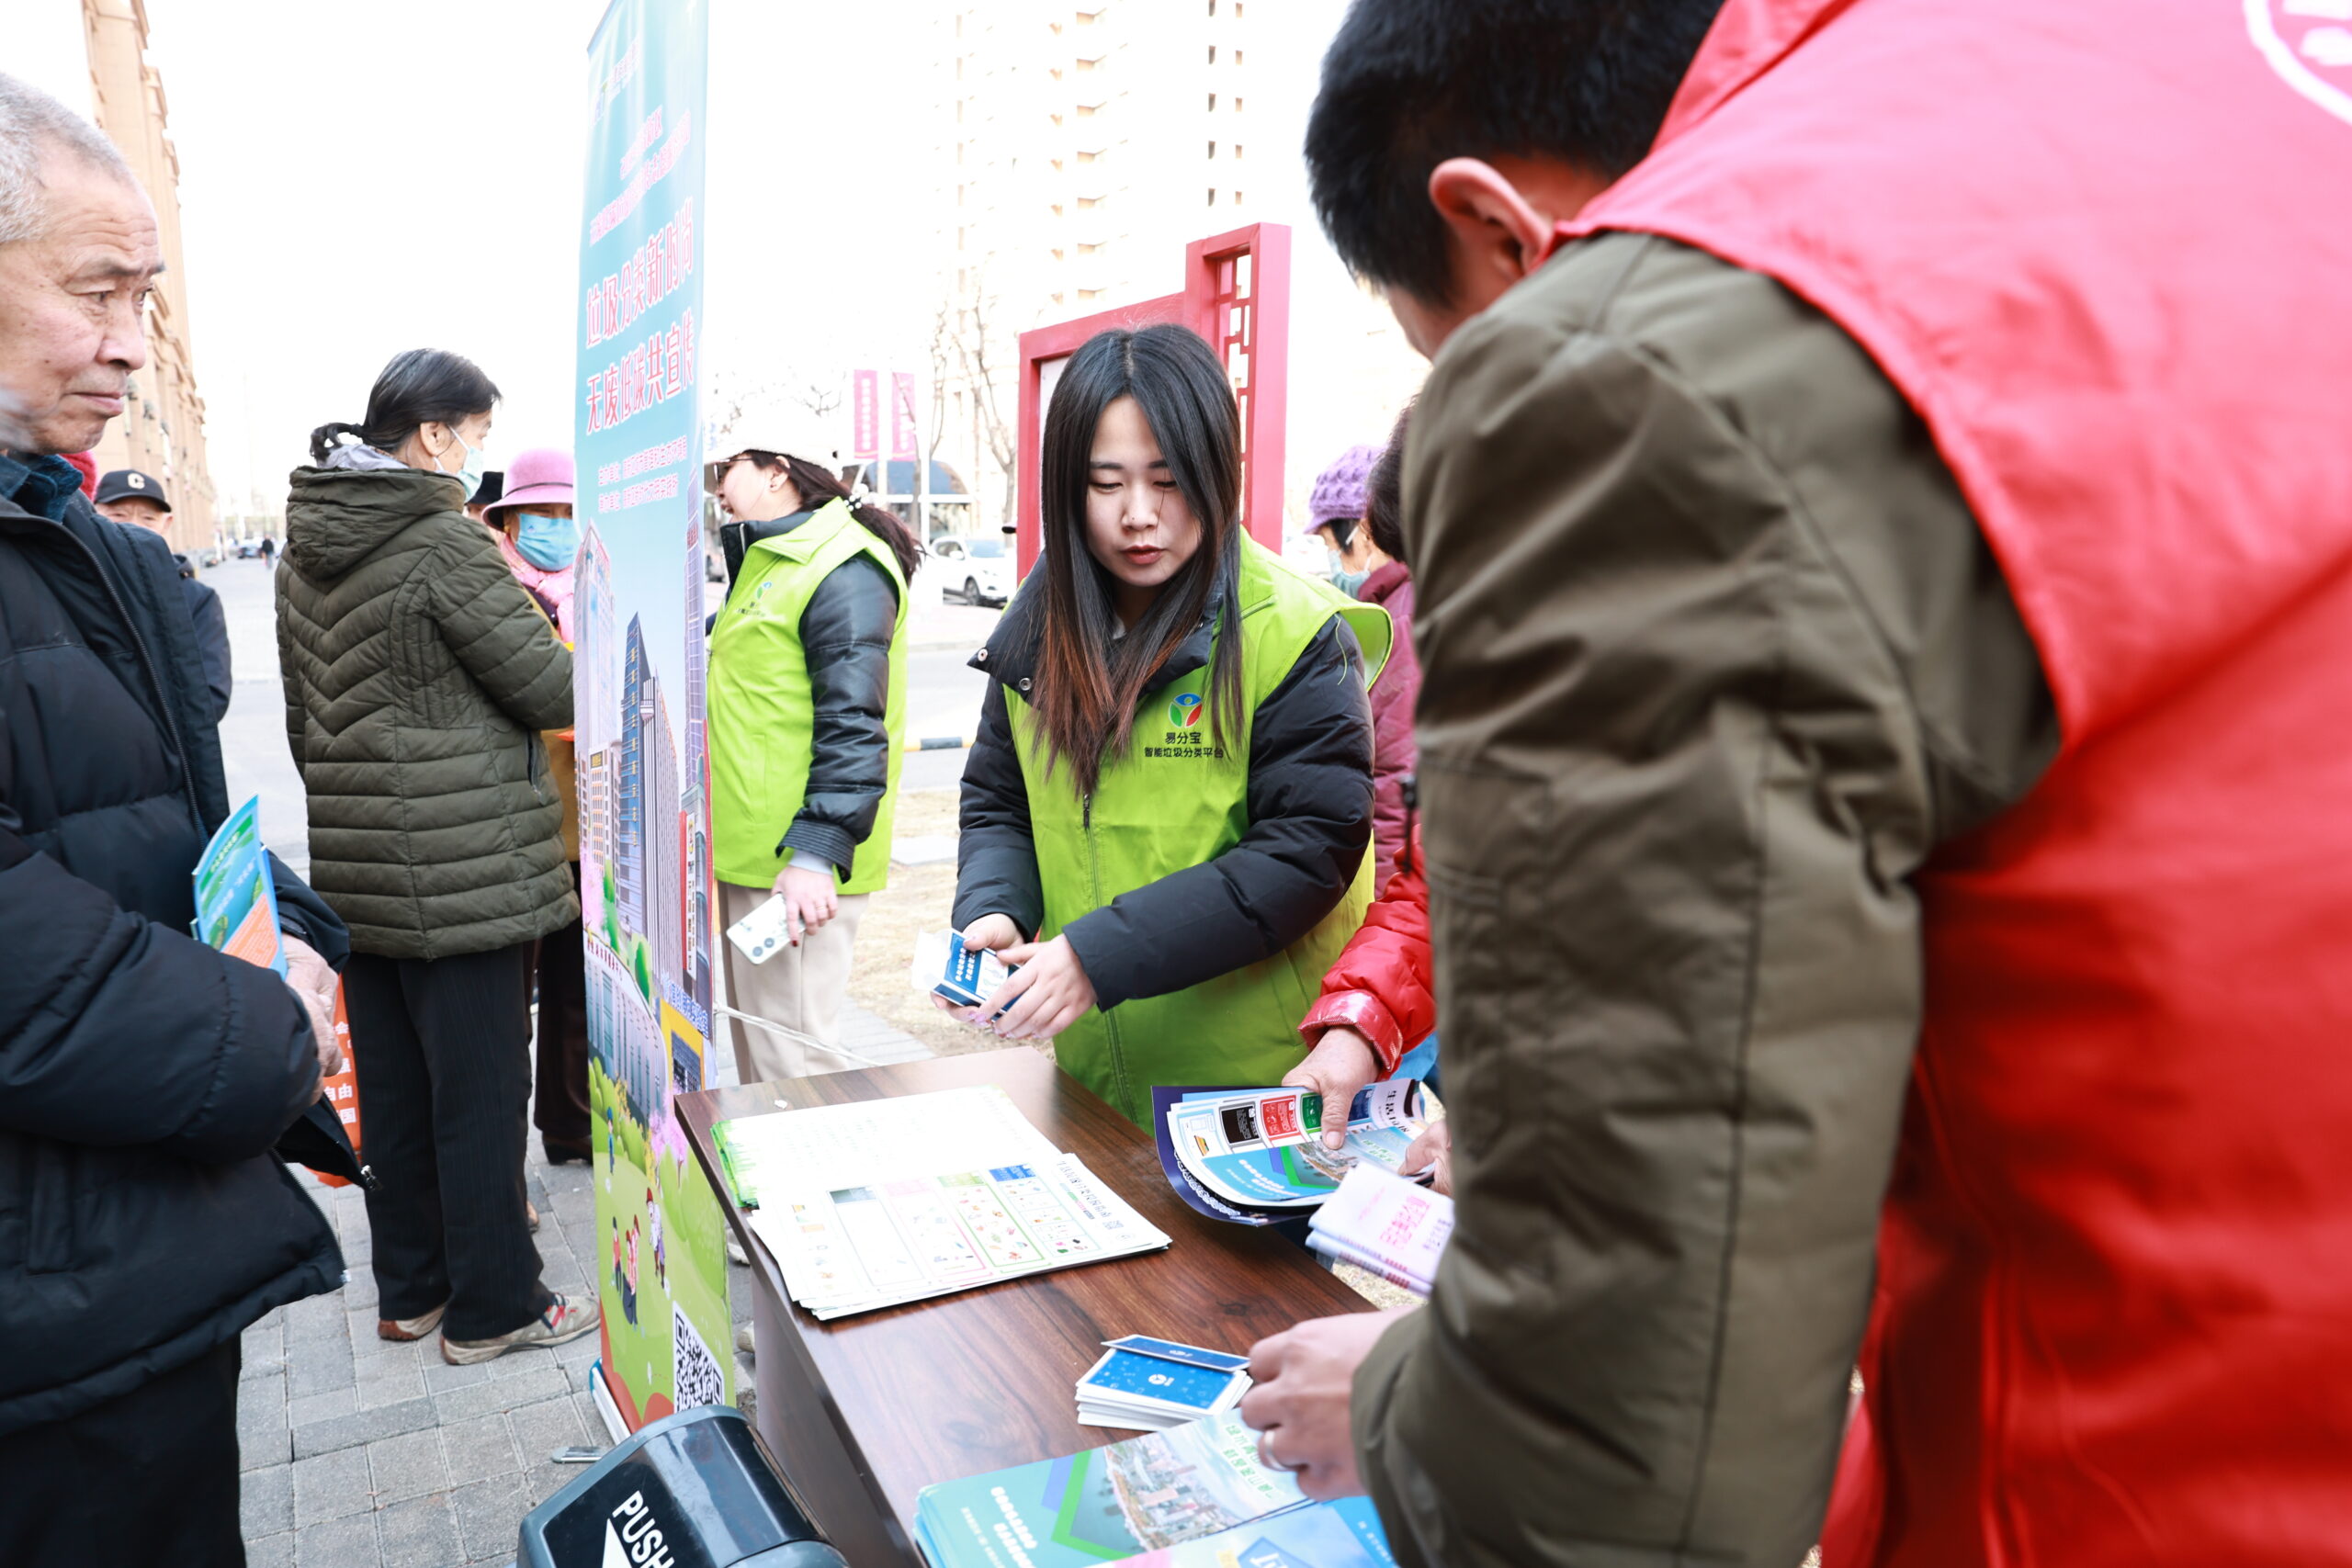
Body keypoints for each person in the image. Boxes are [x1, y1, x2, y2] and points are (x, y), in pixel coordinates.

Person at [1239, 2, 2352, 1565]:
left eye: (1450, 352)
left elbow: (1624, 1467)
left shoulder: (1657, 366)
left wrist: (1424, 1404)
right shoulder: (2170, 90)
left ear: (1497, 226)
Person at [0, 72, 347, 1564]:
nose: (131, 349)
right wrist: (272, 1029)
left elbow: (149, 827)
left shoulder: (68, 542)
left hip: (114, 1276)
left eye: (147, 297)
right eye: (96, 292)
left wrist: (304, 934)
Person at [950, 323, 1390, 1125]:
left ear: (1217, 471)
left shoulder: (1292, 627)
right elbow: (998, 798)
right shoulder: (1039, 626)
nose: (1139, 516)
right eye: (1106, 483)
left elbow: (1309, 848)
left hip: (1257, 1094)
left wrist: (1097, 955)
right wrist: (993, 906)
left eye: (1168, 479)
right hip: (1093, 1079)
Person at [280, 348, 598, 1366]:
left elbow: (304, 721)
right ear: (431, 436)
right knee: (479, 1091)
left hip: (359, 872)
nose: (477, 459)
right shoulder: (443, 544)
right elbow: (551, 692)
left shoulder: (303, 551)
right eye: (475, 436)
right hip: (466, 870)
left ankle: (410, 1291)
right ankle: (496, 1304)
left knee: (402, 1095)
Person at [704, 426, 922, 1083]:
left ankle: (821, 1188)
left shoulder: (841, 566)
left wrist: (815, 852)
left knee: (796, 1067)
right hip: (753, 855)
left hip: (794, 867)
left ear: (778, 471)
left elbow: (854, 725)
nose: (717, 481)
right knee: (764, 1060)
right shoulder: (775, 559)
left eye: (729, 464)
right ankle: (773, 1190)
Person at [480, 446, 593, 1164]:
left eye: (567, 514)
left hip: (588, 824)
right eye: (541, 513)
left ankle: (571, 1125)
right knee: (506, 1001)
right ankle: (500, 1162)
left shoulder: (591, 583)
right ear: (510, 520)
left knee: (577, 988)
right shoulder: (492, 588)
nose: (555, 526)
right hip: (514, 827)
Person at [93, 465, 231, 724]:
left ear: (166, 524)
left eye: (148, 519)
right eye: (118, 515)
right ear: (92, 514)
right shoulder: (79, 586)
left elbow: (211, 696)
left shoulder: (197, 598)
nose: (134, 527)